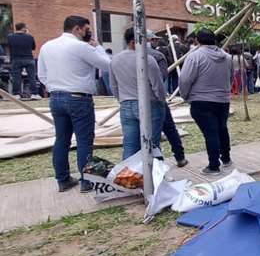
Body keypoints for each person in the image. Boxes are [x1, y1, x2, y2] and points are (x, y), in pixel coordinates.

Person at [38, 15, 111, 192]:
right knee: (84, 140)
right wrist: (98, 46)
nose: (89, 33)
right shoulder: (80, 46)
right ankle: (86, 181)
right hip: (79, 98)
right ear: (77, 29)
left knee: (61, 139)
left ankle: (63, 179)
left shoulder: (47, 46)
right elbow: (107, 65)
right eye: (87, 29)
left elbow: (41, 74)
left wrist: (54, 87)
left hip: (56, 97)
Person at [179, 27, 232, 175]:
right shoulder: (227, 57)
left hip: (202, 100)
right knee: (222, 128)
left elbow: (184, 79)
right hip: (222, 100)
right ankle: (226, 158)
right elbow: (230, 78)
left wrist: (185, 95)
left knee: (211, 133)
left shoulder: (195, 56)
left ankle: (214, 166)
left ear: (197, 40)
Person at [109, 28, 166, 160]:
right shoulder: (147, 59)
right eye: (144, 40)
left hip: (126, 104)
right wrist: (161, 101)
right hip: (149, 104)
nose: (147, 44)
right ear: (134, 42)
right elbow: (157, 85)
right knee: (152, 145)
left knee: (130, 145)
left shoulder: (115, 60)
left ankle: (130, 176)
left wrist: (122, 99)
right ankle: (153, 176)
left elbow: (114, 86)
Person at [146, 33, 186, 167]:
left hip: (134, 101)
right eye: (154, 40)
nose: (156, 42)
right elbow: (161, 77)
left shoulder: (124, 57)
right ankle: (177, 158)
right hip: (155, 99)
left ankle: (142, 168)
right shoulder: (157, 56)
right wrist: (160, 97)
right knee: (167, 129)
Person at [8, 22, 40, 99]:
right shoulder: (30, 37)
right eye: (26, 27)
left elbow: (10, 47)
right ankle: (34, 94)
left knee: (16, 77)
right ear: (23, 28)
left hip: (16, 59)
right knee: (32, 76)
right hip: (28, 58)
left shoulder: (10, 37)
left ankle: (16, 94)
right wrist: (28, 34)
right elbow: (33, 47)